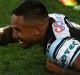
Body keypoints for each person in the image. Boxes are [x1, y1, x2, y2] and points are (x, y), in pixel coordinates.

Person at [0, 0, 80, 74]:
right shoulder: (52, 18)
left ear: (36, 31)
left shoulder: (60, 48)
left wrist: (61, 70)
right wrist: (4, 32)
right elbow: (22, 29)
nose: (14, 35)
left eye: (18, 30)